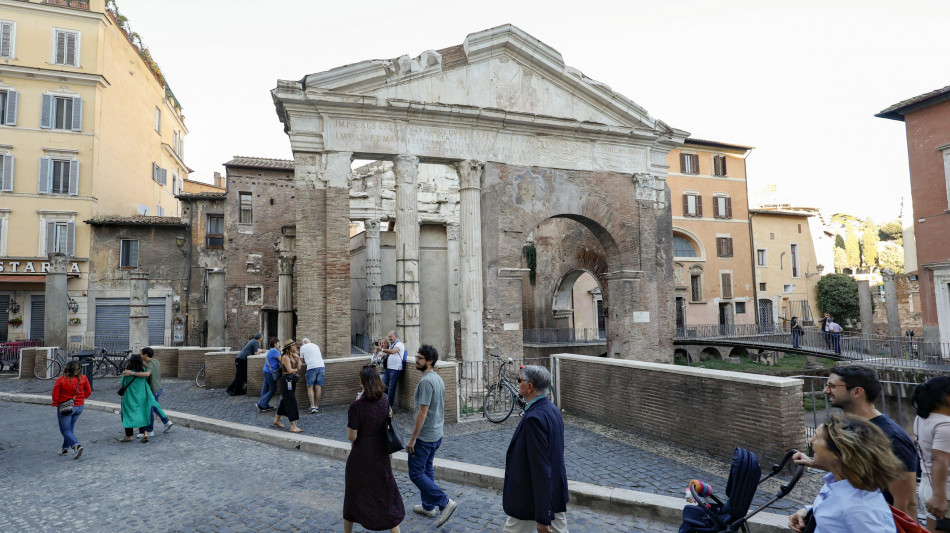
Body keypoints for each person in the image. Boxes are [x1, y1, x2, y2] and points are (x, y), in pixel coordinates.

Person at [821, 365, 918, 517]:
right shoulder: (849, 428)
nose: (826, 391)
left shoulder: (891, 438)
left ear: (857, 392)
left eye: (832, 386)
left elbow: (906, 504)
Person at [789, 414, 903, 532]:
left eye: (817, 438)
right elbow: (837, 511)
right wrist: (809, 512)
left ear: (839, 453)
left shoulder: (861, 509)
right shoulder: (837, 481)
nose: (811, 440)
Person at [502, 365, 569, 533]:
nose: (517, 384)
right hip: (553, 493)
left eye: (519, 380)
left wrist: (542, 516)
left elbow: (540, 468)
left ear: (529, 386)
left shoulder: (534, 419)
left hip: (531, 498)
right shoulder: (552, 409)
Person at [343, 365, 405, 533]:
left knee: (353, 497)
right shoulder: (384, 399)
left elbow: (352, 437)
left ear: (362, 382)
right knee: (385, 496)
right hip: (381, 456)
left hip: (361, 458)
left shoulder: (356, 406)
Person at [407, 344, 458, 527]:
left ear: (429, 361)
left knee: (415, 473)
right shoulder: (437, 378)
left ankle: (444, 502)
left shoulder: (426, 382)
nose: (416, 360)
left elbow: (423, 412)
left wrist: (413, 438)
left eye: (420, 358)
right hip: (436, 434)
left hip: (426, 436)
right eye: (416, 356)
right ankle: (428, 506)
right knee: (427, 469)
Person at [912, 376, 950, 533]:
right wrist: (940, 496)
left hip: (929, 487)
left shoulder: (922, 418)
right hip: (945, 492)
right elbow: (940, 459)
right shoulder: (945, 425)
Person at [119, 353, 168, 443]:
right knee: (143, 414)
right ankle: (145, 433)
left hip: (129, 397)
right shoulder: (143, 371)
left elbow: (123, 384)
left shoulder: (127, 373)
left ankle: (128, 436)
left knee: (128, 415)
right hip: (142, 396)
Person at [52, 360, 91, 458]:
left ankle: (76, 446)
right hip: (79, 406)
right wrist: (82, 398)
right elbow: (88, 391)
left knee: (65, 430)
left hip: (66, 406)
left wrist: (56, 403)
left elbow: (55, 394)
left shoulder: (61, 380)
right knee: (70, 428)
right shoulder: (83, 378)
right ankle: (64, 449)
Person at [137, 347, 173, 438]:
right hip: (158, 388)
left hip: (152, 390)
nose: (140, 355)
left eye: (141, 354)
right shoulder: (155, 361)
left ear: (145, 355)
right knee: (155, 407)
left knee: (150, 409)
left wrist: (132, 373)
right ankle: (166, 421)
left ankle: (150, 431)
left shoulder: (149, 364)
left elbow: (147, 374)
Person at [272, 339, 302, 433]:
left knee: (285, 401)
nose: (295, 347)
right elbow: (289, 370)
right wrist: (296, 370)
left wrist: (298, 358)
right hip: (286, 381)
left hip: (292, 381)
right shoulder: (285, 357)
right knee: (291, 401)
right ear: (289, 348)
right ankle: (293, 425)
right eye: (293, 346)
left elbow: (299, 367)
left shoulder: (294, 356)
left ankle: (276, 420)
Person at [381, 331, 406, 410]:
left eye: (390, 336)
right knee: (384, 387)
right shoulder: (392, 344)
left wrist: (381, 349)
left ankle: (389, 407)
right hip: (388, 369)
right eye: (389, 336)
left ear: (395, 336)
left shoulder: (399, 344)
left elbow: (392, 352)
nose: (389, 338)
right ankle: (383, 404)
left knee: (391, 389)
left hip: (395, 369)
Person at [300, 337, 325, 414]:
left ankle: (312, 406)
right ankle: (317, 406)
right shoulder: (316, 345)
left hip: (311, 367)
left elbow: (301, 360)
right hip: (321, 366)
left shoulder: (303, 347)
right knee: (318, 386)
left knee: (310, 387)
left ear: (303, 342)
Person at [256, 337, 281, 412]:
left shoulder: (271, 350)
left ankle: (264, 404)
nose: (279, 344)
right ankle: (261, 403)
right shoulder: (275, 351)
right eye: (278, 343)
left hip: (266, 370)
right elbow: (282, 360)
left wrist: (279, 350)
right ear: (275, 344)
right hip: (270, 372)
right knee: (273, 389)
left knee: (265, 387)